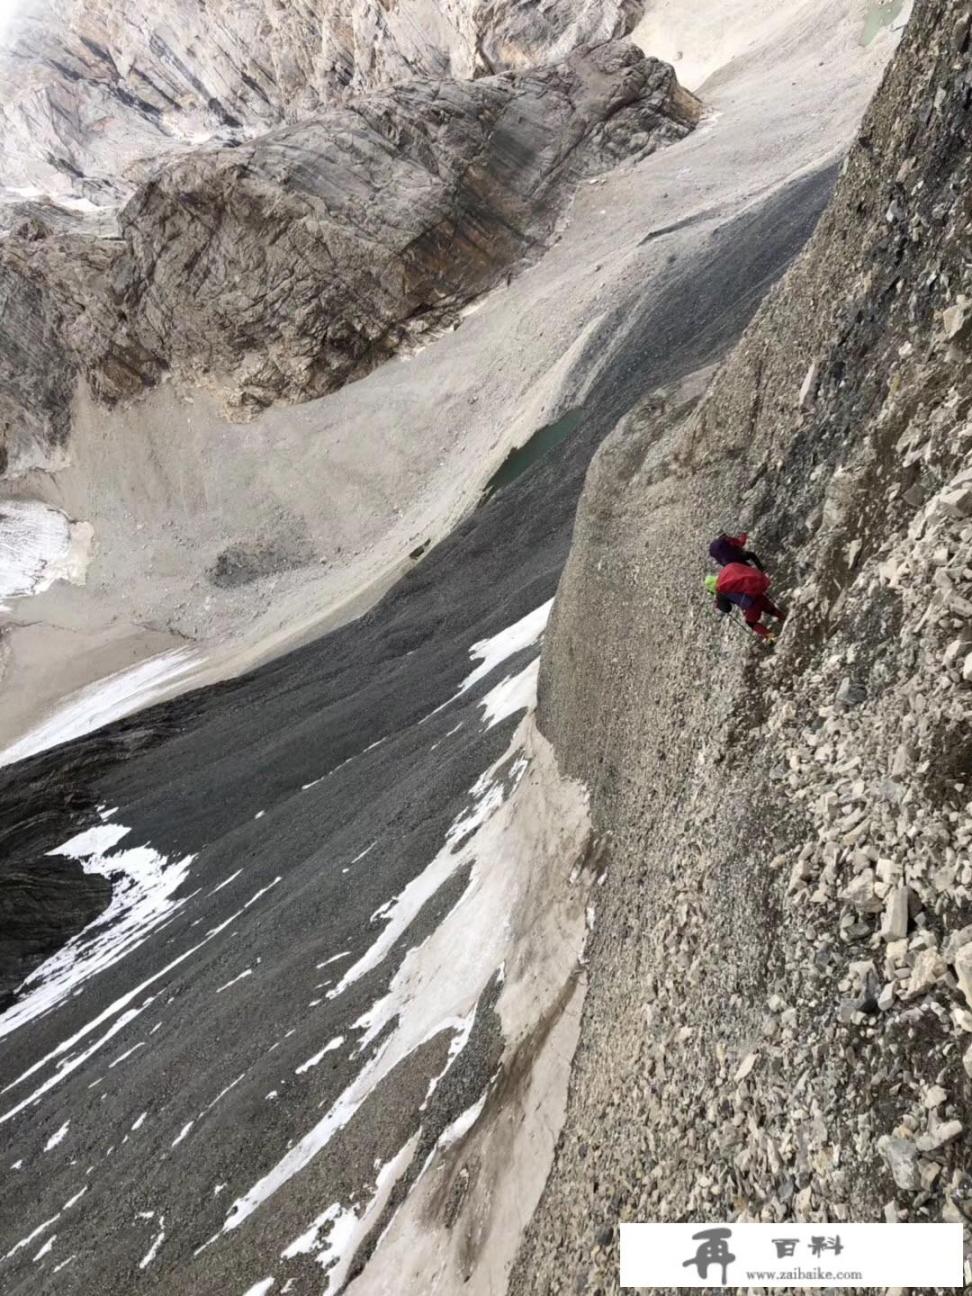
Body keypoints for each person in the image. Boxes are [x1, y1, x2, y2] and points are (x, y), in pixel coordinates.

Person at [705, 564, 786, 640]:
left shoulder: (721, 592)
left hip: (751, 606)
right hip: (756, 594)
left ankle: (772, 638)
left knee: (751, 623)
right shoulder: (727, 579)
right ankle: (784, 617)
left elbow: (727, 609)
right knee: (769, 608)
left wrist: (719, 605)